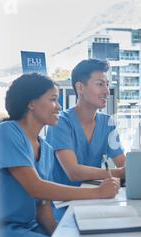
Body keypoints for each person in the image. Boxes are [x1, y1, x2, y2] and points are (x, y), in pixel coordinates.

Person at [0, 74, 120, 237]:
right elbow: (36, 188)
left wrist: (59, 236)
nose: (58, 106)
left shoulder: (47, 149)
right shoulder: (7, 132)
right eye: (52, 99)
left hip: (29, 228)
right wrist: (98, 193)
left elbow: (43, 207)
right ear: (31, 103)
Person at [46, 59, 126, 220]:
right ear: (80, 87)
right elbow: (73, 172)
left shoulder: (107, 122)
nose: (106, 91)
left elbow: (122, 162)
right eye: (100, 84)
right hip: (64, 204)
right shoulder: (61, 122)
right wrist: (118, 173)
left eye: (107, 84)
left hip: (96, 200)